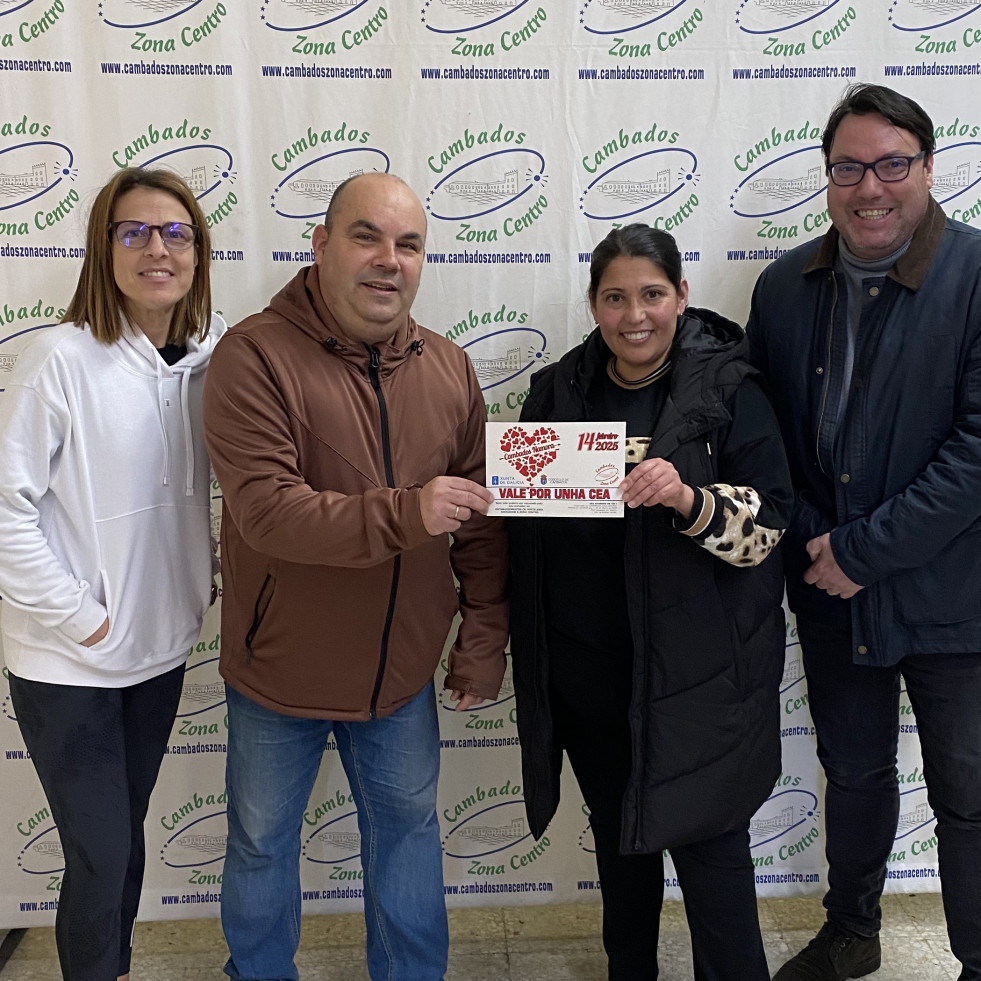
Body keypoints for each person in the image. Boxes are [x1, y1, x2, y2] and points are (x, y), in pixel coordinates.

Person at [202, 171, 509, 981]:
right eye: (367, 236)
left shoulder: (449, 367)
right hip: (278, 673)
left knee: (408, 835)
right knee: (261, 842)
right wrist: (408, 512)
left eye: (407, 244)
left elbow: (478, 521)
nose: (388, 260)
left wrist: (481, 637)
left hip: (400, 675)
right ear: (321, 246)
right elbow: (269, 511)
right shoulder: (253, 355)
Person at [508, 224, 793, 981]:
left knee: (714, 866)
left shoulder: (732, 390)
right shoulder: (556, 389)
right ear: (594, 304)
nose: (634, 314)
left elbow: (769, 528)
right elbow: (531, 536)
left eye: (651, 294)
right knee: (620, 852)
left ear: (681, 296)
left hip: (700, 689)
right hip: (593, 684)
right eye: (614, 297)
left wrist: (689, 499)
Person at [747, 83, 981, 981]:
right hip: (828, 592)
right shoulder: (781, 288)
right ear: (828, 177)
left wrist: (859, 551)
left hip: (950, 598)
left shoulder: (972, 275)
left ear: (927, 168)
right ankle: (852, 931)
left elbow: (973, 456)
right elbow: (765, 447)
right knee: (851, 776)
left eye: (891, 164)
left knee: (965, 796)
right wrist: (819, 544)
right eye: (847, 167)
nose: (869, 187)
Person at [0, 167, 224, 981]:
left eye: (175, 233)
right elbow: (4, 511)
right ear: (104, 249)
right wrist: (81, 616)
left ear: (199, 253)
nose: (155, 248)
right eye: (134, 232)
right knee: (98, 852)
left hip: (158, 652)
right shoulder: (58, 357)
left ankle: (114, 966)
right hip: (69, 661)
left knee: (123, 836)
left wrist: (195, 583)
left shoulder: (211, 356)